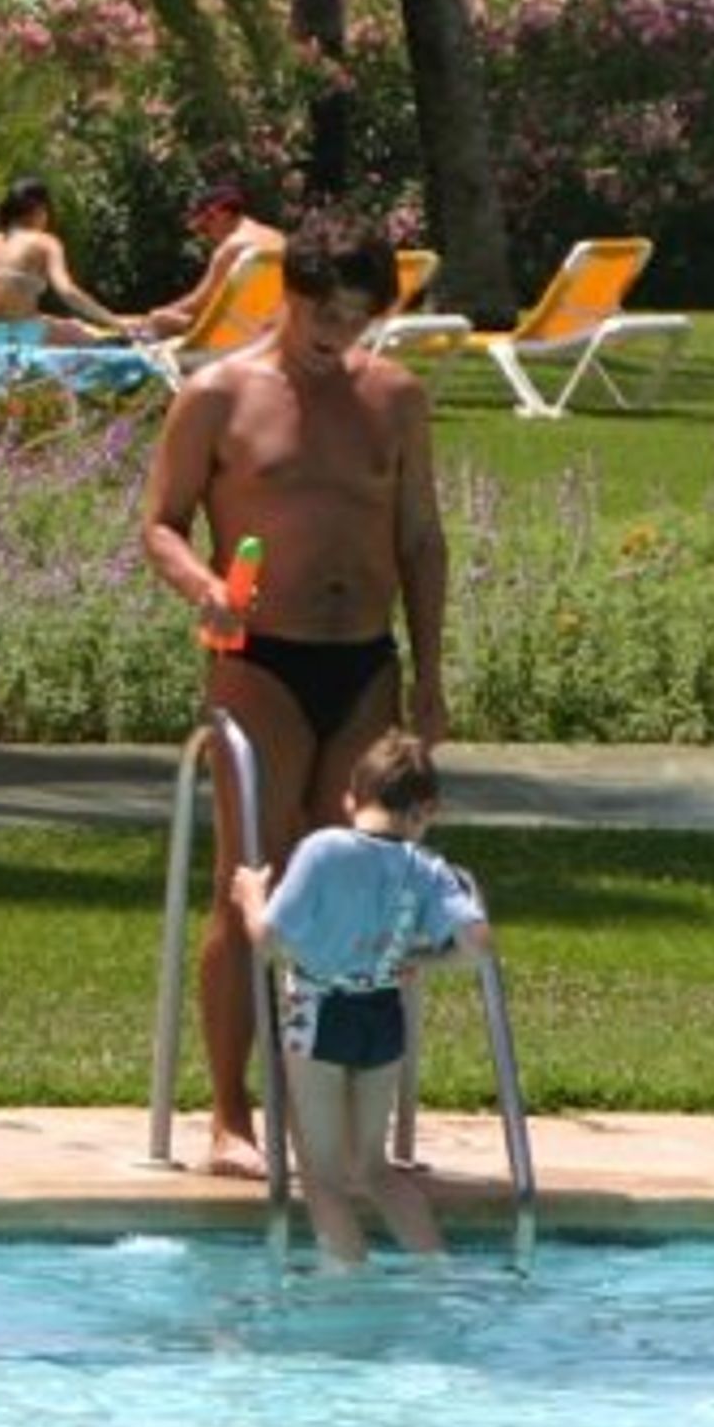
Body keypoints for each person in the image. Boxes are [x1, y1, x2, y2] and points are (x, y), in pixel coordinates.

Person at [137, 213, 449, 1183]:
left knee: (356, 895)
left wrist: (432, 678)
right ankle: (230, 1118)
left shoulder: (396, 399)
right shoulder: (217, 395)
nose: (337, 333)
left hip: (365, 664)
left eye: (359, 318)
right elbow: (159, 525)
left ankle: (333, 1117)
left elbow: (421, 541)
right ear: (287, 292)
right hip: (260, 665)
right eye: (324, 310)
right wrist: (208, 591)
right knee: (250, 887)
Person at [228, 730, 490, 1264]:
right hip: (384, 1019)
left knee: (323, 1178)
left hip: (319, 1014)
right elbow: (478, 945)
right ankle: (437, 1273)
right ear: (428, 809)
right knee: (374, 1168)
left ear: (352, 798)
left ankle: (344, 1294)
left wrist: (251, 896)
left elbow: (267, 942)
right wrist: (421, 959)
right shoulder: (427, 868)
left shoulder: (324, 850)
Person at [0, 178, 130, 344]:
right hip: (20, 335)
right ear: (39, 210)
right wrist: (114, 321)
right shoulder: (46, 242)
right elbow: (67, 292)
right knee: (85, 336)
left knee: (65, 324)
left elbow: (7, 299)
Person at [131, 181, 286, 341]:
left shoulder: (231, 248)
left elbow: (198, 303)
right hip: (269, 334)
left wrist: (154, 316)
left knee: (158, 319)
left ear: (219, 214)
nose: (207, 237)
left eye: (204, 228)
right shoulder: (278, 239)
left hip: (229, 338)